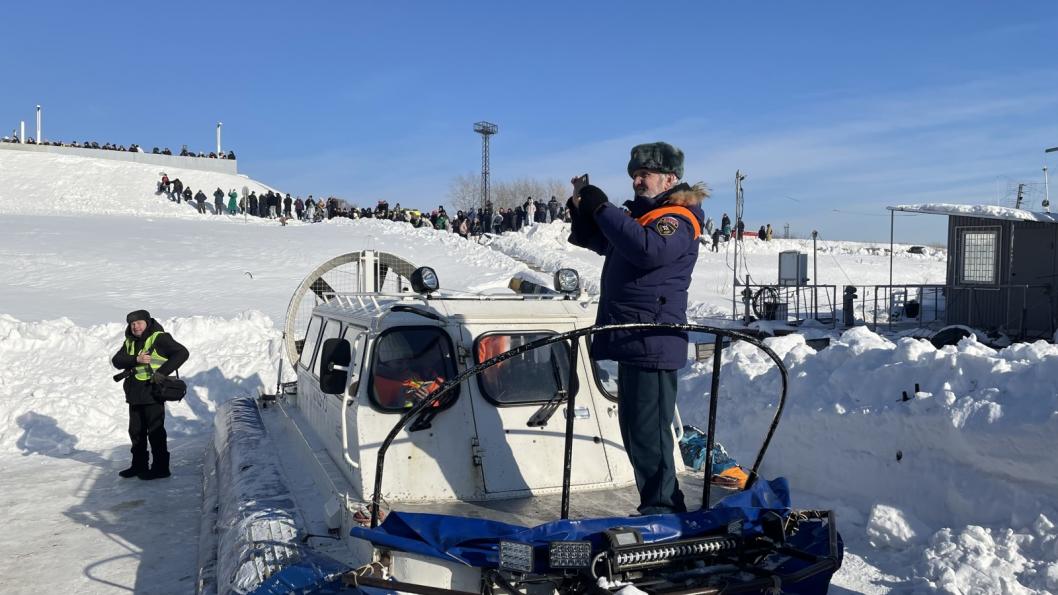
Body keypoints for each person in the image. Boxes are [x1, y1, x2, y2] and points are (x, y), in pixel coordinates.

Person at [566, 141, 708, 515]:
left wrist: (602, 207)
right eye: (634, 176)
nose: (637, 182)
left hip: (653, 338)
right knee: (634, 428)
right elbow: (601, 240)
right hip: (635, 337)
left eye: (645, 175)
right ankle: (655, 502)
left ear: (670, 178)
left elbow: (648, 250)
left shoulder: (677, 218)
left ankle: (664, 505)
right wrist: (583, 208)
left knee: (650, 430)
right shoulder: (643, 217)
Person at [110, 310, 188, 480]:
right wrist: (135, 360)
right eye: (132, 324)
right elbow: (117, 361)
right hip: (134, 394)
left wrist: (161, 373)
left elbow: (182, 353)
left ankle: (161, 468)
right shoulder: (130, 341)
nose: (135, 326)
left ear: (147, 322)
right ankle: (139, 465)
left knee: (155, 431)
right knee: (136, 432)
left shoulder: (159, 338)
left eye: (138, 322)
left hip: (153, 393)